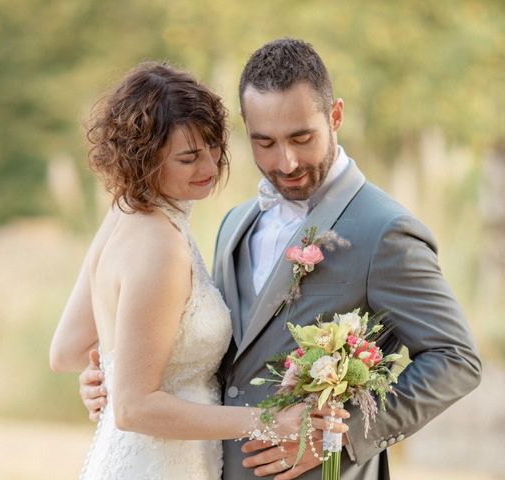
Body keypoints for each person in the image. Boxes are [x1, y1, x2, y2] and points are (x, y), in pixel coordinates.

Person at [79, 40, 482, 480]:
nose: (285, 161)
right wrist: (112, 381)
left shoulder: (384, 231)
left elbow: (455, 359)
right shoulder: (235, 224)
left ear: (336, 117)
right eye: (264, 142)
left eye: (301, 137)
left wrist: (337, 441)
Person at [49, 61, 348, 480]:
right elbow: (135, 408)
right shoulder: (161, 247)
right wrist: (269, 420)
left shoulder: (124, 213)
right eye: (189, 157)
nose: (209, 167)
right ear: (144, 159)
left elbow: (67, 350)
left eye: (213, 147)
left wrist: (107, 376)